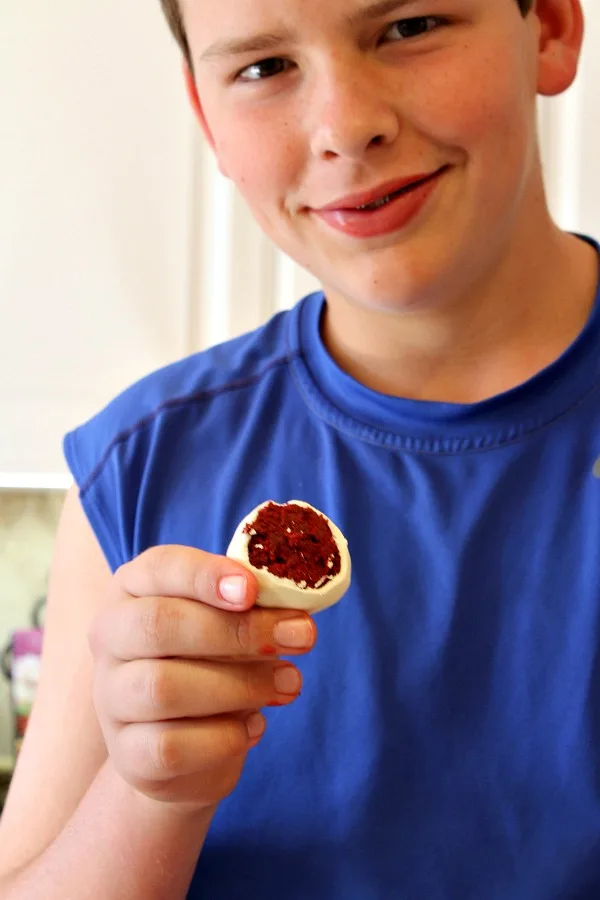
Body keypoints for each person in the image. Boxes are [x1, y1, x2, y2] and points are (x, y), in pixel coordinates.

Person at [0, 0, 597, 896]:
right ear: (207, 119)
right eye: (263, 68)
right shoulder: (140, 471)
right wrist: (148, 793)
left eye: (410, 26)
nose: (346, 126)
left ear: (548, 28)